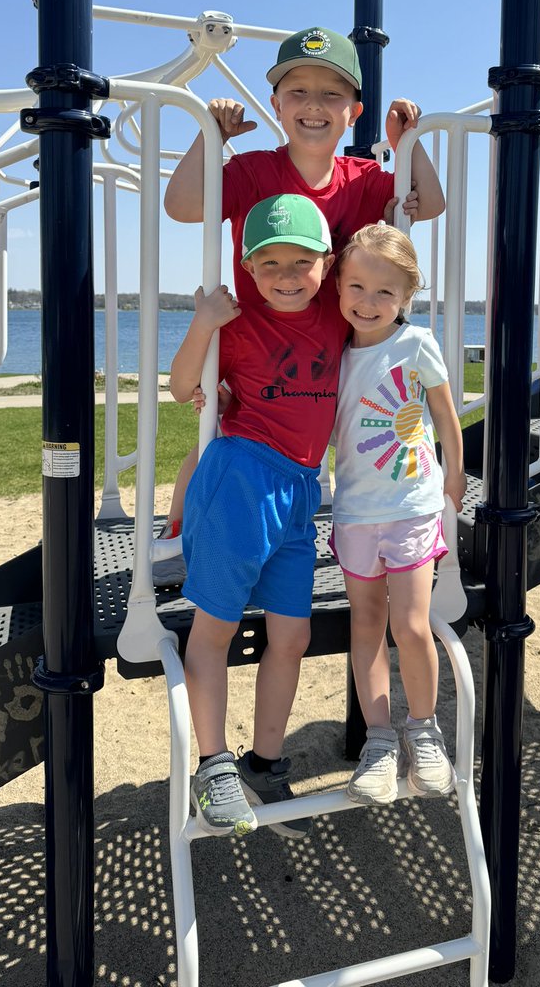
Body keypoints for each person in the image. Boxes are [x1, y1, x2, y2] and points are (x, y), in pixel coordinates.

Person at [154, 26, 444, 582]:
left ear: (353, 112)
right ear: (277, 106)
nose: (314, 106)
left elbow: (428, 203)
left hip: (330, 341)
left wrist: (409, 144)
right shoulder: (253, 171)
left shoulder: (361, 180)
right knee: (220, 433)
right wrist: (211, 137)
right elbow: (183, 204)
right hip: (259, 339)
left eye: (331, 94)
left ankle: (335, 525)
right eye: (298, 92)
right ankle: (177, 531)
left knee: (316, 440)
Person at [170, 193, 349, 839]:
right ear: (247, 267)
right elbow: (183, 386)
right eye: (267, 262)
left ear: (325, 265)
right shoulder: (237, 320)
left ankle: (263, 763)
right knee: (213, 630)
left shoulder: (335, 314)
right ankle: (213, 764)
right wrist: (203, 323)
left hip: (301, 492)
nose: (283, 275)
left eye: (299, 262)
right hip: (242, 481)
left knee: (292, 637)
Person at [330, 224, 466, 805]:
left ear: (407, 296)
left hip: (411, 506)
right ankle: (380, 741)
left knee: (410, 627)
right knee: (365, 627)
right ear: (337, 286)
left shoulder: (415, 344)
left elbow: (444, 412)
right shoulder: (331, 352)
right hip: (356, 512)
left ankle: (424, 732)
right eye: (357, 286)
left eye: (385, 293)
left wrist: (454, 472)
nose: (368, 301)